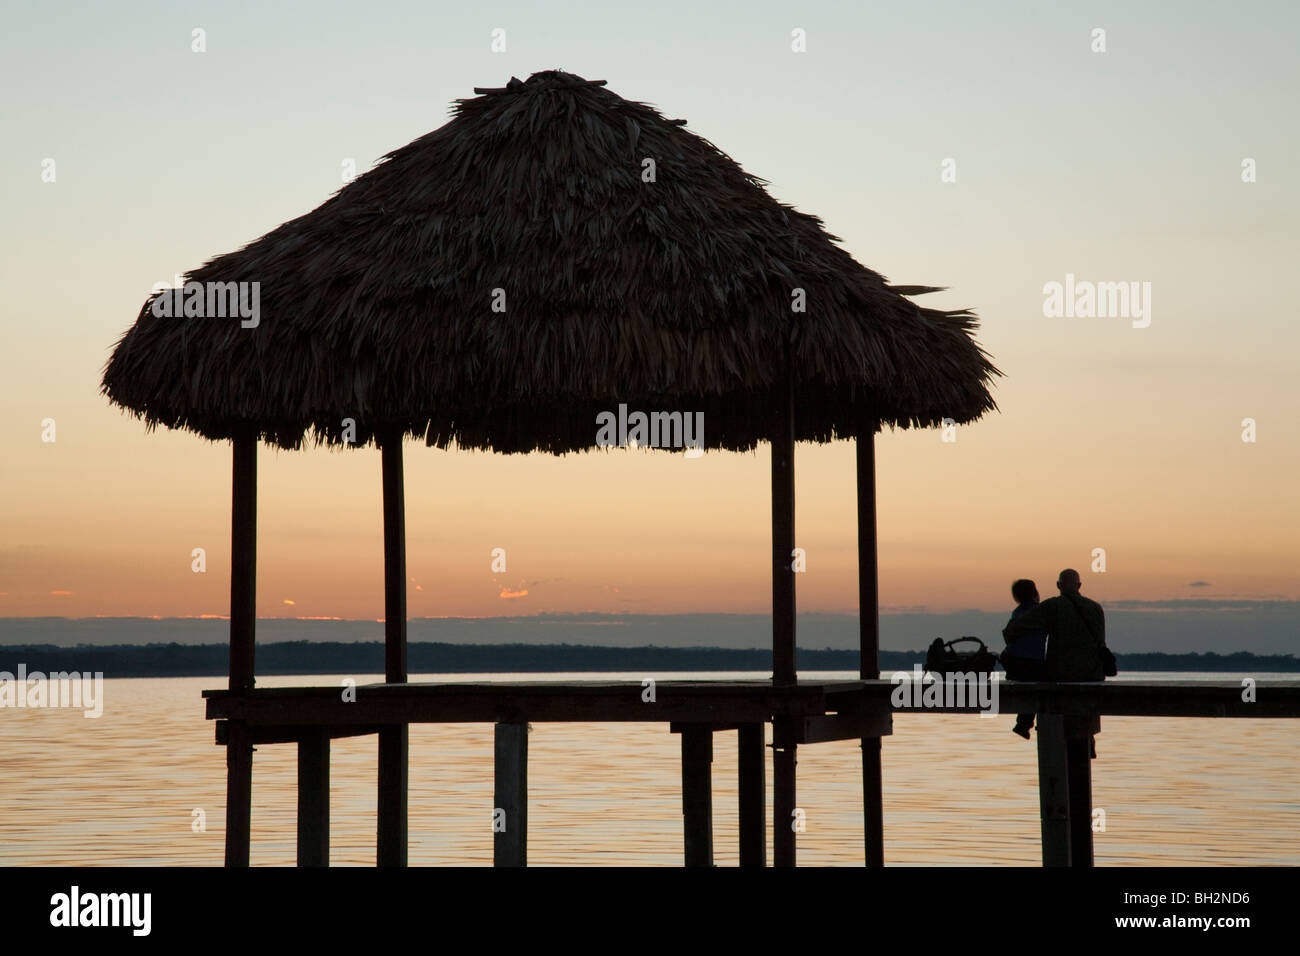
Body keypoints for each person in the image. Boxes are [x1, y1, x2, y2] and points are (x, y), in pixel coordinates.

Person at [1003, 568, 1108, 755]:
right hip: (1092, 675)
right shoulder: (1095, 608)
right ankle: (1087, 742)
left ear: (1058, 585)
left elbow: (1015, 629)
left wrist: (1012, 638)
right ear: (1080, 586)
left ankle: (1054, 752)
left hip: (1062, 675)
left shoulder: (1053, 606)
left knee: (1051, 704)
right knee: (1083, 716)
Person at [1001, 579, 1048, 739]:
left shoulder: (1018, 612)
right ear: (1034, 593)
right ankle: (1023, 724)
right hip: (1033, 665)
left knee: (1031, 687)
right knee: (1039, 689)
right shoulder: (1041, 611)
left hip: (1013, 663)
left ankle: (1023, 724)